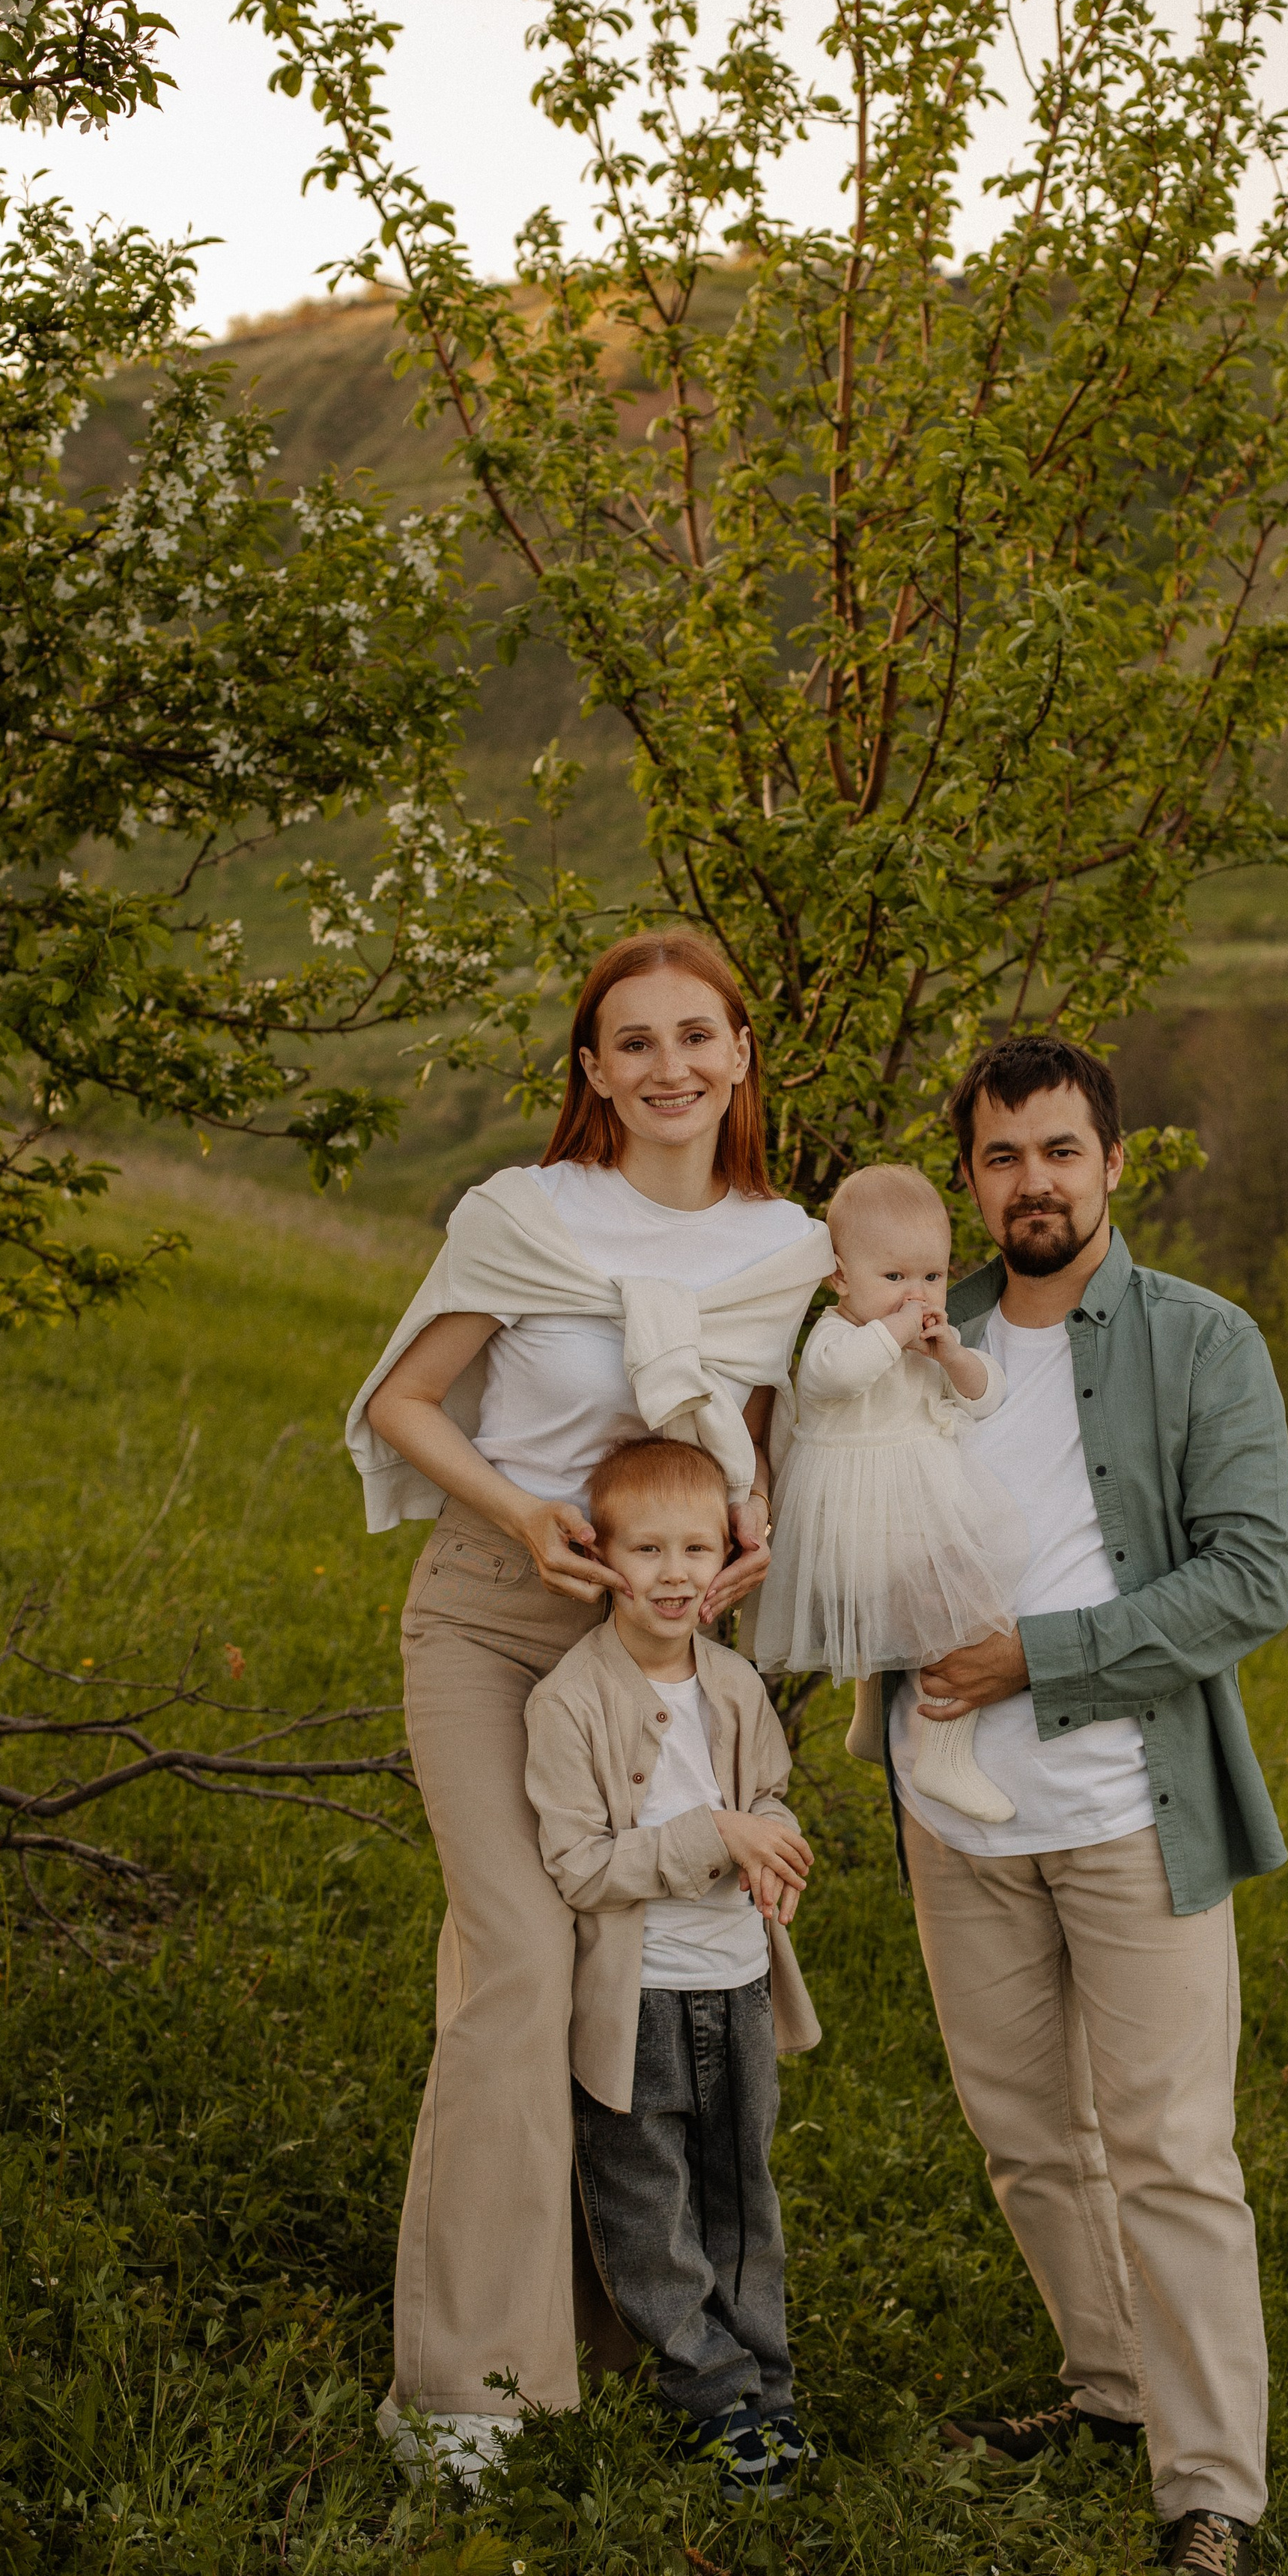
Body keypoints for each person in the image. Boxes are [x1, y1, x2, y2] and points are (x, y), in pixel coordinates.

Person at [344, 931, 830, 2485]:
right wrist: (519, 1514)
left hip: (658, 1657)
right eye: (634, 1043)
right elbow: (402, 1401)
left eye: (698, 1036)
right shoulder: (524, 1216)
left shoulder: (786, 1251)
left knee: (619, 1966)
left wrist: (752, 1539)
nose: (669, 1066)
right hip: (497, 1621)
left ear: (742, 1056)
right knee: (519, 1959)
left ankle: (608, 2320)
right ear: (591, 1070)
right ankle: (463, 2391)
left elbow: (744, 1442)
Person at [881, 1033, 1288, 2576]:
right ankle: (1107, 2379)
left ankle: (1206, 2494)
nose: (1031, 1182)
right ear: (969, 1178)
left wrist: (1032, 1662)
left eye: (1058, 1150)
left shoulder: (1201, 1344)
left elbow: (1249, 1579)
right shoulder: (927, 1337)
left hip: (1130, 1814)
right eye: (999, 1156)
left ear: (1113, 1162)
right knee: (1023, 2135)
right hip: (951, 1820)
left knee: (1171, 2151)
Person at [524, 1435, 819, 2499]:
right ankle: (710, 2396)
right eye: (647, 1548)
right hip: (639, 2003)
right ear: (600, 1556)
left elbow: (769, 1797)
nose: (678, 1572)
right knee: (649, 2202)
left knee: (744, 2197)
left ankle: (767, 2390)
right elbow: (580, 1866)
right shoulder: (569, 1702)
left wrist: (775, 1844)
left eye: (698, 1547)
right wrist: (716, 1834)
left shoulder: (734, 1686)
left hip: (735, 1986)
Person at [753, 1161, 1025, 1824]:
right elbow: (838, 1378)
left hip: (901, 1516)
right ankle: (944, 1754)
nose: (917, 1296)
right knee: (966, 1607)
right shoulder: (835, 1337)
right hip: (856, 1527)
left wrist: (951, 1355)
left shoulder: (924, 1343)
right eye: (895, 1278)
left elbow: (988, 1396)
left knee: (932, 1602)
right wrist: (899, 1333)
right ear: (840, 1277)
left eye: (932, 1277)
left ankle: (873, 1721)